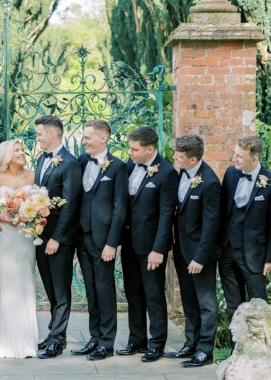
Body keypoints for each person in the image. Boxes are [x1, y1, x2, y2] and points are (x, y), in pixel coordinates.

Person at [118, 126, 178, 363]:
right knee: (133, 293)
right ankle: (137, 339)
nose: (130, 153)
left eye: (135, 149)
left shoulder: (166, 173)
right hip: (129, 243)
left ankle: (157, 344)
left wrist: (158, 250)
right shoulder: (131, 166)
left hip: (151, 246)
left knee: (153, 295)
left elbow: (166, 215)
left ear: (150, 149)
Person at [71, 119, 127, 361]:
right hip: (82, 236)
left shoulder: (117, 167)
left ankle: (107, 342)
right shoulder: (82, 162)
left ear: (103, 138)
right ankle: (94, 338)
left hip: (103, 240)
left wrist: (112, 243)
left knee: (104, 290)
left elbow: (120, 208)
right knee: (91, 291)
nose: (84, 141)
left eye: (87, 137)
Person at [218, 135, 271, 326]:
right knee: (233, 307)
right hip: (227, 252)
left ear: (254, 159)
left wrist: (270, 258)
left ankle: (261, 353)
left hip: (254, 256)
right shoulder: (230, 174)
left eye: (239, 156)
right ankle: (236, 354)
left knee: (258, 307)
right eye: (234, 154)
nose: (234, 159)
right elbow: (224, 212)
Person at [167, 134, 220, 367]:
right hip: (181, 250)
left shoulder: (209, 182)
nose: (175, 159)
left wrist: (200, 257)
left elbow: (211, 224)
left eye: (179, 156)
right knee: (189, 300)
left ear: (193, 159)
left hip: (200, 255)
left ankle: (205, 350)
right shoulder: (182, 174)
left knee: (205, 302)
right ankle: (191, 343)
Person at [0, 139, 38, 358]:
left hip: (25, 237)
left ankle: (27, 339)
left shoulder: (32, 176)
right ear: (6, 155)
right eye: (16, 150)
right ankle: (4, 339)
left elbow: (40, 202)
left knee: (25, 281)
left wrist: (30, 214)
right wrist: (8, 218)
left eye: (22, 150)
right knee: (5, 283)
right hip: (5, 236)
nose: (21, 153)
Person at [33, 115, 82, 359]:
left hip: (58, 239)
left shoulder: (70, 164)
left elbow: (71, 204)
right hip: (41, 235)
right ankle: (54, 331)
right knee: (51, 288)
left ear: (52, 133)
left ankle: (57, 339)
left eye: (40, 134)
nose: (38, 138)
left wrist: (58, 238)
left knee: (61, 290)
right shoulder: (42, 158)